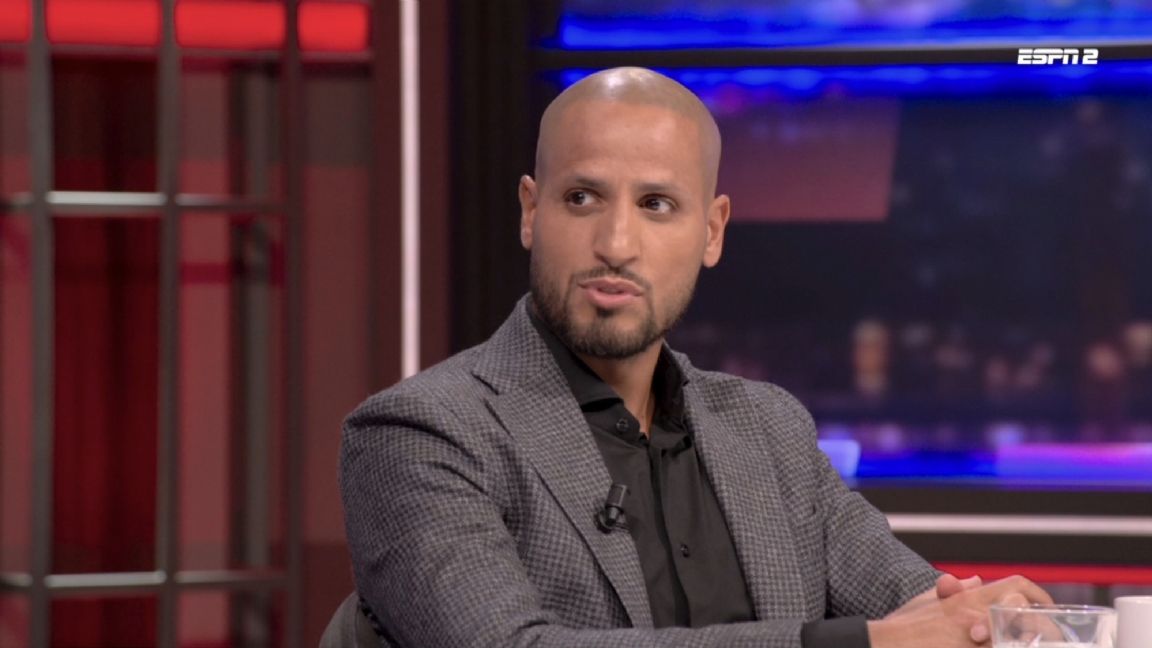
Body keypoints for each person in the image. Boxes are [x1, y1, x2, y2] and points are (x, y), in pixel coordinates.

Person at [339, 67, 1052, 647]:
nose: (616, 244)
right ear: (531, 212)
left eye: (656, 204)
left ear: (712, 232)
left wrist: (989, 621)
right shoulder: (420, 434)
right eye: (582, 197)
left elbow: (914, 602)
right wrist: (862, 643)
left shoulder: (768, 430)